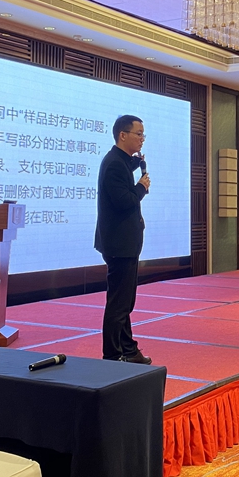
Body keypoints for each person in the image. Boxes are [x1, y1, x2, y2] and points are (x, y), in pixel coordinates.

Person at [95, 114, 152, 364]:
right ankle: (112, 355)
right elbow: (123, 201)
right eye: (138, 134)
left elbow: (125, 170)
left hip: (125, 243)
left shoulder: (120, 161)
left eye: (143, 134)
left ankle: (129, 350)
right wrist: (141, 187)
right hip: (119, 244)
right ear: (122, 135)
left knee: (125, 302)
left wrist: (136, 164)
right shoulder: (114, 164)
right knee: (119, 304)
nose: (142, 139)